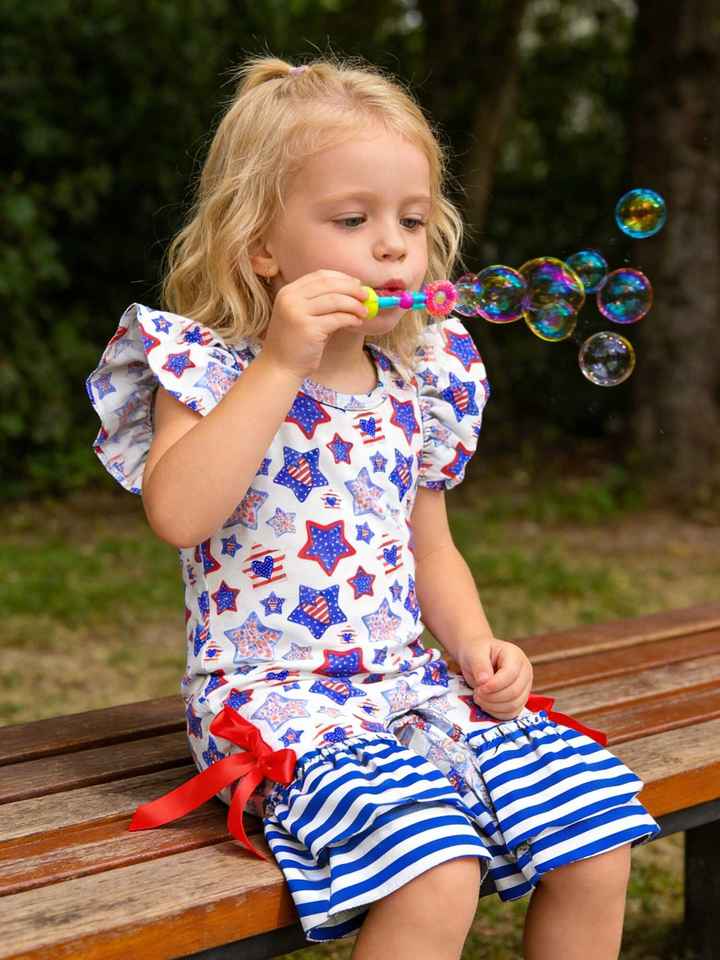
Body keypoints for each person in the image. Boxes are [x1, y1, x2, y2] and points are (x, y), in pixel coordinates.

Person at [86, 54, 659, 960]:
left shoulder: (418, 379)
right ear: (261, 245)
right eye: (353, 220)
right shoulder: (209, 367)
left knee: (595, 836)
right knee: (438, 870)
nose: (392, 246)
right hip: (272, 707)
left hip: (406, 688)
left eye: (412, 220)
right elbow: (179, 514)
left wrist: (475, 646)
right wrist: (283, 362)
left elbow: (432, 550)